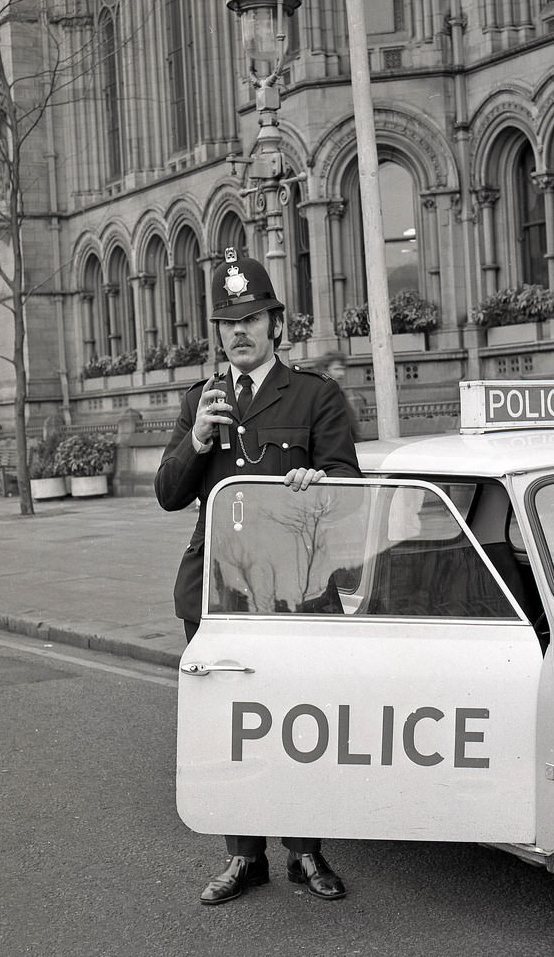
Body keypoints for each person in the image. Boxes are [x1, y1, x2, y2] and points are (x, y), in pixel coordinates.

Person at [155, 248, 361, 907]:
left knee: (298, 723)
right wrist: (198, 442)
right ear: (217, 332)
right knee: (228, 728)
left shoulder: (313, 395)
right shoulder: (200, 402)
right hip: (217, 593)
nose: (239, 331)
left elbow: (352, 488)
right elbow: (167, 492)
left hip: (295, 592)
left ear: (276, 323)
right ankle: (243, 857)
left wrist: (318, 483)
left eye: (252, 318)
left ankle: (305, 852)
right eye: (228, 321)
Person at [315, 348, 363, 441]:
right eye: (336, 369)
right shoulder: (322, 393)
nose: (341, 373)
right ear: (325, 370)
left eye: (342, 369)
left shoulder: (338, 391)